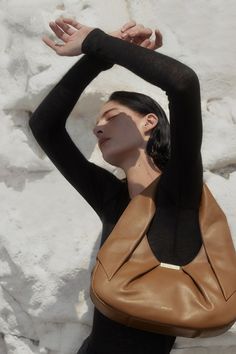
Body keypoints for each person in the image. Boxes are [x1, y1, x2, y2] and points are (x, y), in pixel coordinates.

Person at [29, 16, 203, 354]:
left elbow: (182, 83)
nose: (98, 127)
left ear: (149, 122)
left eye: (111, 116)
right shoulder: (111, 197)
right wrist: (99, 58)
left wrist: (96, 41)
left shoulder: (179, 190)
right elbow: (44, 125)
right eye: (97, 122)